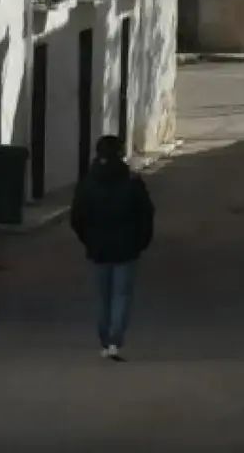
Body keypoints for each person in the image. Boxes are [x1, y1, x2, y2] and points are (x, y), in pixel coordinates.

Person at [70, 135, 156, 362]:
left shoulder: (88, 182)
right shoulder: (131, 181)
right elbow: (146, 214)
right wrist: (141, 241)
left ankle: (104, 338)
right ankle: (114, 341)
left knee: (102, 296)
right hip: (127, 248)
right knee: (121, 295)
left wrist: (88, 239)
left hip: (98, 248)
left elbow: (77, 217)